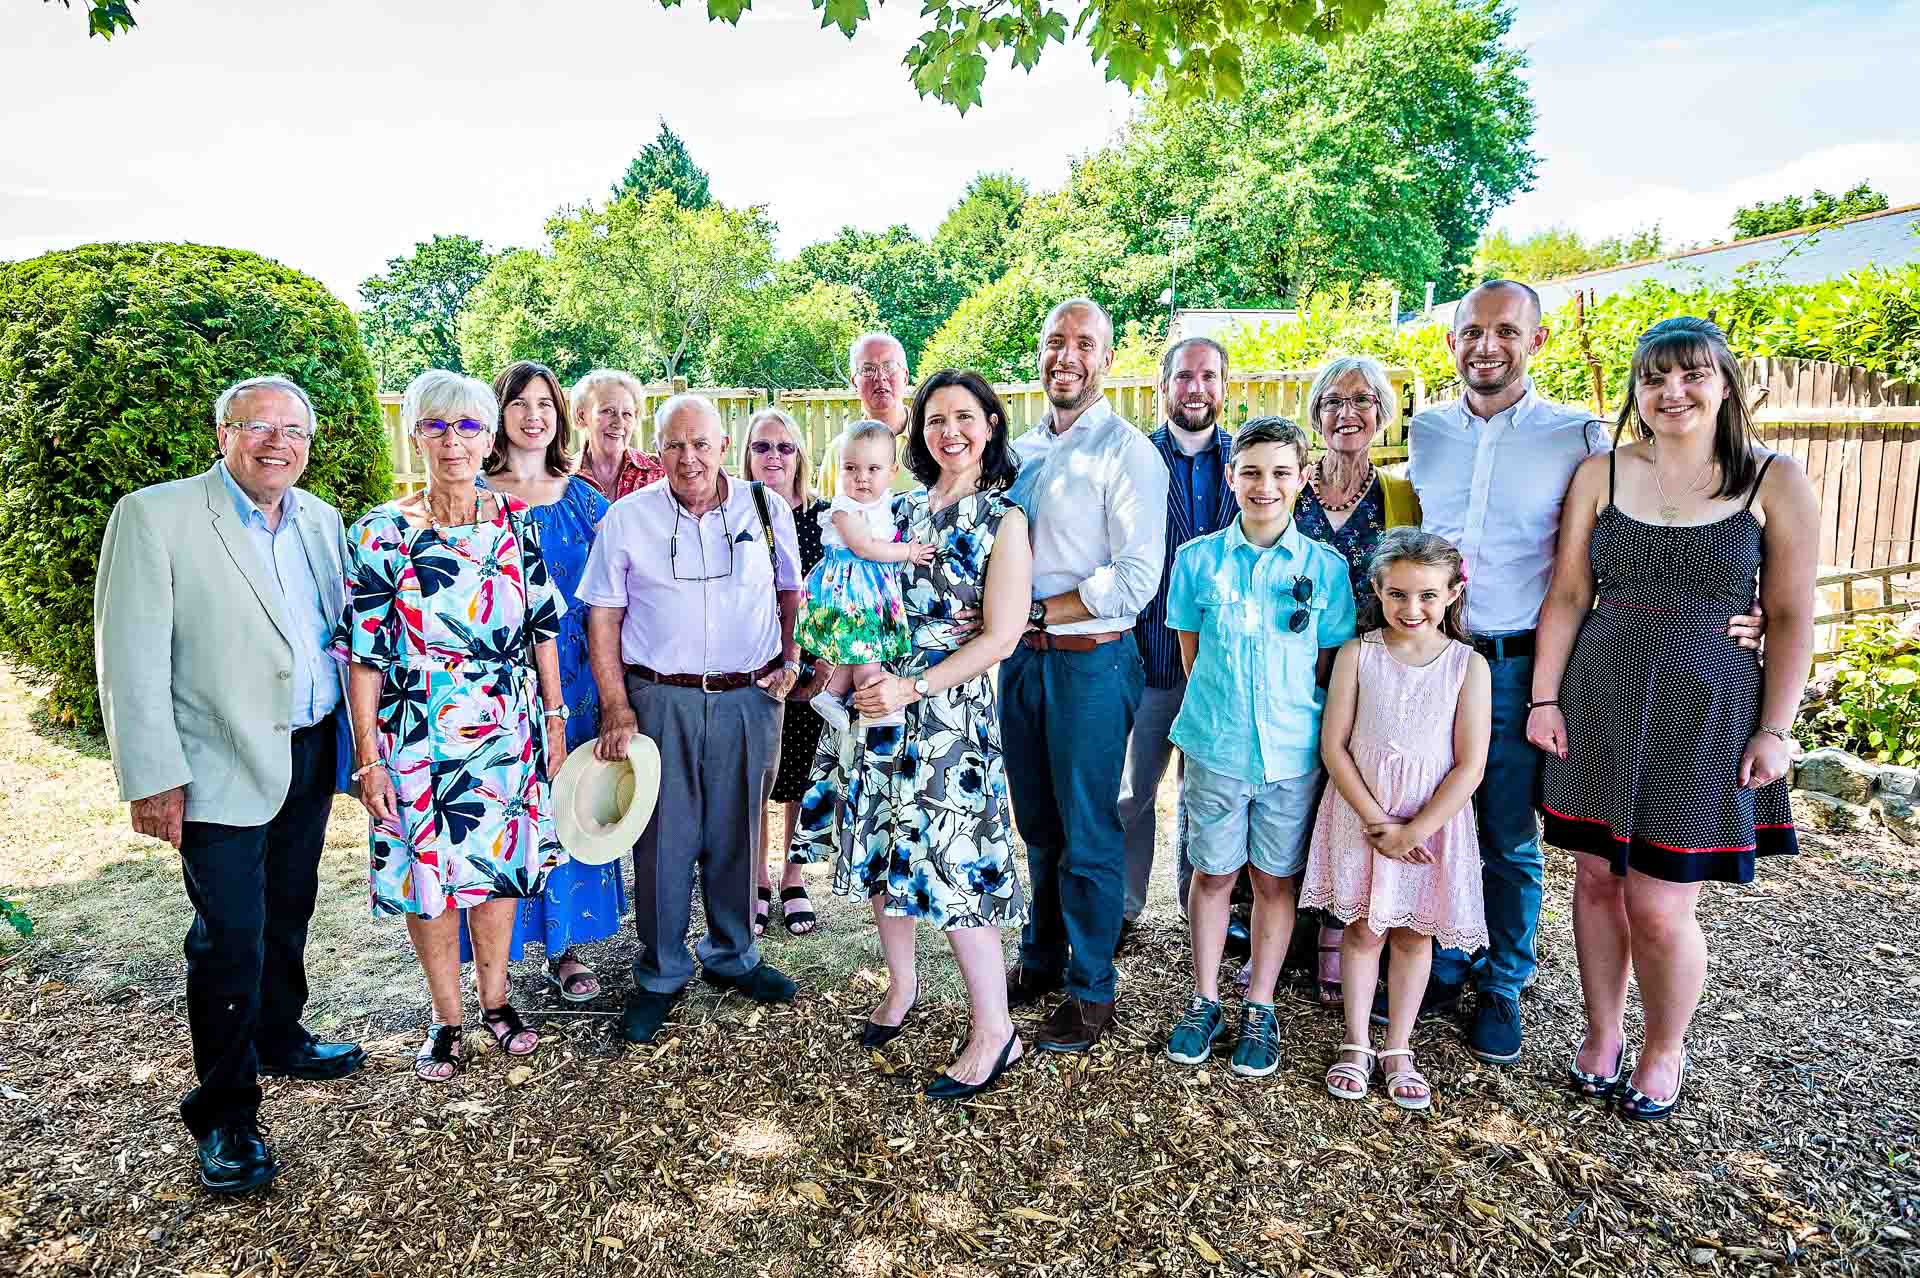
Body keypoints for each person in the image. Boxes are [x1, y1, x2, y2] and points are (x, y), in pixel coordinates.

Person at [1404, 279, 1763, 1067]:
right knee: (1436, 815)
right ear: (1452, 341)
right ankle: (1448, 955)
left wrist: (1753, 602)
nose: (1485, 346)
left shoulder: (1580, 438)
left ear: (1536, 342)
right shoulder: (1425, 430)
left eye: (1506, 331)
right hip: (1431, 660)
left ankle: (1504, 979)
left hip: (1519, 660)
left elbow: (1654, 534)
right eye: (1471, 331)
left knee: (1506, 831)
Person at [1529, 317, 1815, 1120]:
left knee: (1660, 900)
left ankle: (1664, 1048)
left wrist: (1776, 728)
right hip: (1599, 695)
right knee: (1593, 878)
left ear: (1724, 382)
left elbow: (1791, 613)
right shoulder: (1602, 474)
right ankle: (1601, 1033)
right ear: (1636, 392)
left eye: (1691, 375)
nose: (1672, 392)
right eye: (1655, 379)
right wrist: (1544, 698)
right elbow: (1568, 596)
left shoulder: (1771, 480)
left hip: (1709, 708)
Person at [95, 374, 365, 1194]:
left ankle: (281, 1034)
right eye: (258, 427)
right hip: (215, 765)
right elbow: (129, 655)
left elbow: (339, 632)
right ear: (223, 434)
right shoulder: (156, 516)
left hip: (310, 750)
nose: (278, 443)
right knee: (230, 938)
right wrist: (152, 776)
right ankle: (225, 1115)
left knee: (290, 909)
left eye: (294, 432)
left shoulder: (321, 520)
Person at [794, 369, 1032, 1099]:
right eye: (935, 420)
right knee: (882, 855)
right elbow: (850, 591)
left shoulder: (1004, 522)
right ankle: (901, 989)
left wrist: (915, 685)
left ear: (990, 425)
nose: (949, 432)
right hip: (877, 703)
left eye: (964, 417)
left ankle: (996, 1032)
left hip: (947, 714)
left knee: (959, 864)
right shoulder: (893, 511)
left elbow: (1002, 637)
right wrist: (838, 665)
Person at [339, 369, 570, 1082]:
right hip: (415, 731)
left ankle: (497, 1002)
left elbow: (542, 627)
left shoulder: (515, 521)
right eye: (435, 426)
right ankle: (446, 1019)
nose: (452, 441)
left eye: (468, 426)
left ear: (488, 437)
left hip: (506, 725)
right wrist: (368, 755)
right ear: (414, 434)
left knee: (496, 873)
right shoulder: (379, 533)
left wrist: (555, 720)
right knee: (429, 881)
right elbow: (364, 655)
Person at [579, 393, 805, 1045]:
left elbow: (793, 591)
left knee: (740, 829)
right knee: (665, 841)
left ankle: (734, 957)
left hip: (749, 695)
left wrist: (792, 657)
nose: (689, 458)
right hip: (661, 698)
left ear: (723, 448)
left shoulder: (765, 509)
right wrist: (617, 703)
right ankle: (660, 973)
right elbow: (604, 614)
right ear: (658, 451)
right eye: (674, 445)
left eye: (701, 444)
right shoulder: (627, 519)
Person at [1160, 418, 1356, 1079]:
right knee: (1213, 874)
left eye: (1280, 472)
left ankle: (1262, 1005)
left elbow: (1327, 666)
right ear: (1230, 478)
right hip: (1216, 748)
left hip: (1292, 755)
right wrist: (1223, 723)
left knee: (1275, 879)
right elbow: (1192, 654)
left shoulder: (1324, 571)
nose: (1264, 486)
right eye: (1250, 472)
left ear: (1303, 479)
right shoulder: (1196, 561)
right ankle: (1206, 997)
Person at [1001, 297, 1168, 1054]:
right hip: (1021, 664)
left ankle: (1091, 986)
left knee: (1089, 827)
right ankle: (1040, 955)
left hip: (1091, 662)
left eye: (1083, 344)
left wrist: (1043, 613)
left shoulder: (1127, 452)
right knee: (1035, 821)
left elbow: (1134, 577)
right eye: (1053, 341)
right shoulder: (1020, 451)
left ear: (1106, 360)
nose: (1065, 355)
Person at [455, 360, 627, 1003]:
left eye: (546, 405)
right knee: (501, 813)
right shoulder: (470, 496)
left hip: (579, 684)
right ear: (498, 415)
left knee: (570, 807)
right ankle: (496, 957)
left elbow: (618, 595)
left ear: (561, 418)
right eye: (520, 403)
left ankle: (570, 948)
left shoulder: (585, 499)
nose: (533, 416)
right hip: (491, 686)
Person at [1302, 529, 1490, 1110]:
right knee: (1362, 929)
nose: (1413, 609)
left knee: (1414, 935)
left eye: (1428, 595)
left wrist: (1414, 829)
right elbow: (1334, 746)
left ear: (1453, 593)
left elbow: (1470, 764)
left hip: (1432, 824)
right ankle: (1357, 1042)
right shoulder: (1359, 655)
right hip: (1363, 814)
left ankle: (1399, 1047)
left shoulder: (1468, 666)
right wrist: (1378, 820)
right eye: (1398, 594)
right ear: (1378, 591)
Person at [1292, 355, 1422, 1008]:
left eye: (1364, 400)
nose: (1348, 413)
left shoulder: (1401, 495)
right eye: (1333, 401)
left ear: (1383, 414)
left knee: (1352, 798)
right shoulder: (1288, 487)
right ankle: (1281, 932)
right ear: (1315, 416)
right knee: (1292, 798)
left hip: (1374, 676)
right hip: (1293, 673)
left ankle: (1344, 933)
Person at [1116, 336, 1240, 947]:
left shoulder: (1246, 461)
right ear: (1163, 386)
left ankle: (1204, 913)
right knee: (1134, 792)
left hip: (1224, 665)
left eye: (1209, 377)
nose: (1196, 388)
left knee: (1209, 796)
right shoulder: (1135, 456)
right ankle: (1124, 907)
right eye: (1184, 376)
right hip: (1150, 655)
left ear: (1223, 386)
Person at [739, 408, 828, 938]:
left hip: (812, 666)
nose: (773, 457)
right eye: (761, 447)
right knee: (752, 779)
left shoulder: (826, 518)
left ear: (800, 456)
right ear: (745, 455)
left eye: (784, 447)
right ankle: (756, 879)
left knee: (798, 774)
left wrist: (821, 666)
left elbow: (841, 593)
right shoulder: (733, 515)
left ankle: (794, 877)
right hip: (748, 666)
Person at [798, 420, 936, 731]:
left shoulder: (884, 502)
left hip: (865, 587)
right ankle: (876, 710)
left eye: (873, 469)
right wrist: (909, 552)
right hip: (851, 590)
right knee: (868, 651)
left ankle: (832, 694)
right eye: (851, 468)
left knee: (856, 650)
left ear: (892, 470)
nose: (861, 478)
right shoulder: (845, 509)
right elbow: (865, 547)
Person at [817, 332, 915, 500]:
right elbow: (824, 516)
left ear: (905, 376)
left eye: (889, 366)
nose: (880, 377)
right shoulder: (839, 450)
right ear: (855, 382)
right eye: (868, 369)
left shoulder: (932, 441)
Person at [574, 368, 666, 500]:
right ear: (581, 416)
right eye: (608, 411)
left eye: (627, 414)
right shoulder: (561, 477)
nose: (619, 422)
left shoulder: (660, 472)